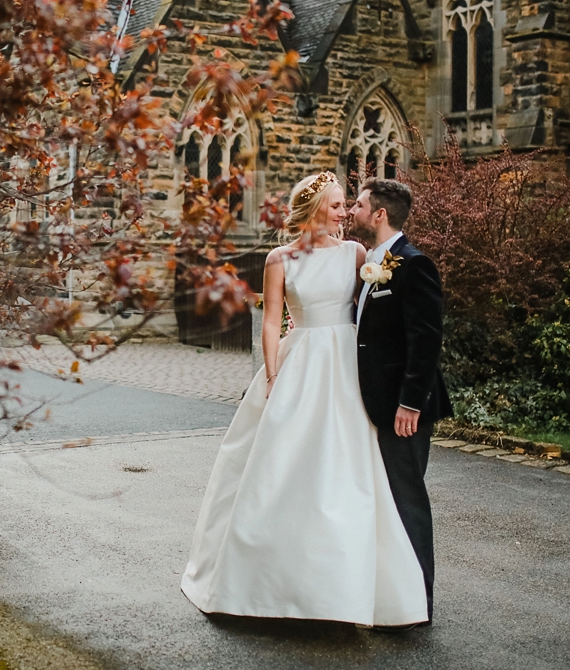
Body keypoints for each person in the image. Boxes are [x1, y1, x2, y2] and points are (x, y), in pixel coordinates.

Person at [180, 171, 427, 627]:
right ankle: (264, 584)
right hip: (300, 362)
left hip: (348, 366)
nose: (345, 212)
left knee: (344, 468)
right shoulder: (280, 258)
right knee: (280, 466)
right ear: (315, 208)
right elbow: (272, 321)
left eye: (346, 204)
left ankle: (343, 587)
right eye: (337, 205)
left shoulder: (356, 254)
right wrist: (273, 374)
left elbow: (372, 309)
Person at [348, 178, 451, 625]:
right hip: (377, 403)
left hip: (403, 410)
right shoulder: (373, 263)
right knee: (387, 501)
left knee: (407, 500)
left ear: (379, 215)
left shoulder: (413, 264)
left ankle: (418, 604)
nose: (352, 210)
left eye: (357, 204)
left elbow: (425, 340)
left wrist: (410, 403)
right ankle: (392, 595)